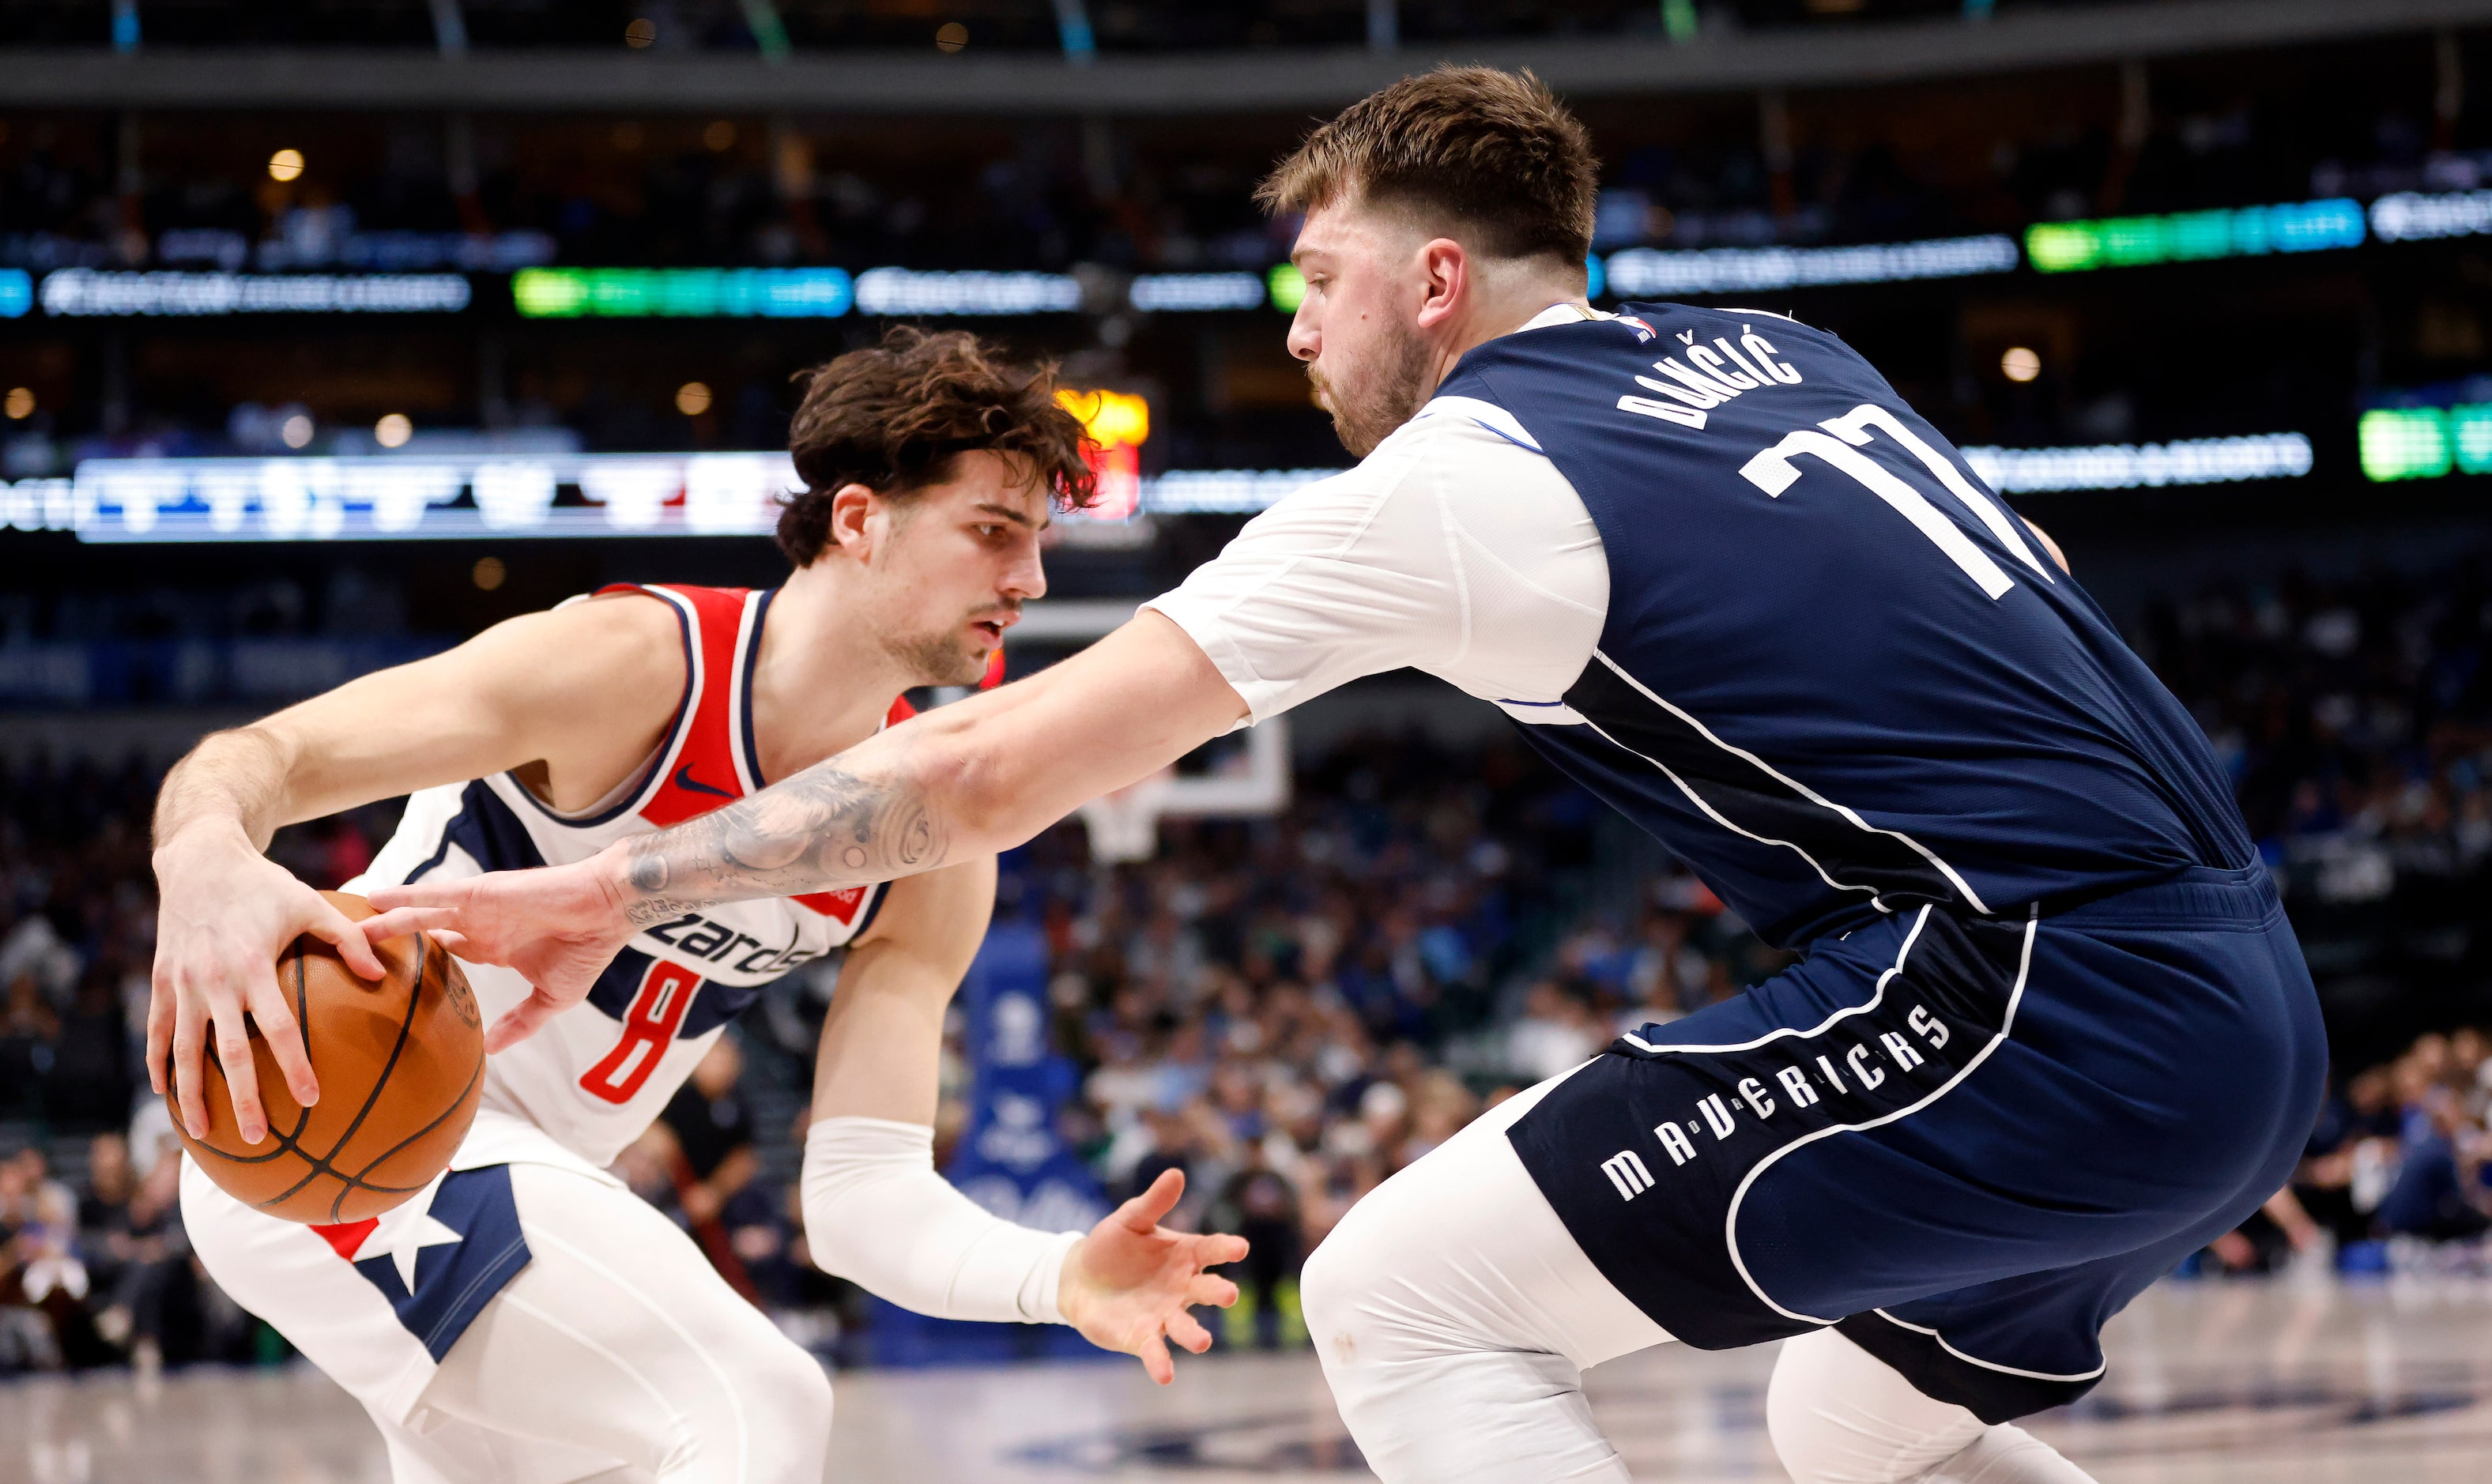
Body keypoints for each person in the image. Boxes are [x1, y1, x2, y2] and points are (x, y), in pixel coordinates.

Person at [365, 69, 2325, 1484]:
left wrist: (604, 888)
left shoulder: (1452, 480)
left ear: (1438, 282)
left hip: (2025, 999)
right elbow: (2032, 607)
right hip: (2250, 1004)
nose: (1294, 332)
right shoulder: (1787, 351)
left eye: (1315, 281)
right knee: (1845, 1421)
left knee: (1405, 1300)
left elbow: (979, 776)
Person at [148, 328, 1245, 1484]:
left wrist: (1055, 1275)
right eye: (991, 532)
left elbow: (861, 1197)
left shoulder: (929, 842)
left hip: (516, 1188)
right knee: (752, 1401)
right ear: (859, 519)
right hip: (343, 1138)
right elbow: (263, 753)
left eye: (1037, 544)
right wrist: (207, 856)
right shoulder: (632, 663)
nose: (1027, 581)